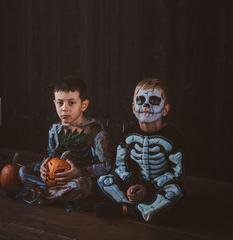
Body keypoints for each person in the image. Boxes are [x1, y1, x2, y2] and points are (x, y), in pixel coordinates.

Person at [94, 78, 186, 222]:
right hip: (136, 183)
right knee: (103, 181)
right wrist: (132, 184)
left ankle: (124, 209)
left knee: (175, 195)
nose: (146, 105)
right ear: (133, 108)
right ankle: (143, 209)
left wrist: (149, 189)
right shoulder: (128, 134)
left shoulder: (173, 137)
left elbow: (178, 174)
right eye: (140, 100)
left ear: (165, 109)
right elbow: (121, 165)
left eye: (155, 100)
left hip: (160, 188)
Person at [15, 76, 114, 208]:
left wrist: (80, 171)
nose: (64, 109)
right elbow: (52, 156)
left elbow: (107, 167)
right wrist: (45, 167)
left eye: (71, 103)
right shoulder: (55, 129)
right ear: (54, 103)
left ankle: (38, 195)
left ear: (83, 105)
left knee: (80, 186)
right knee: (23, 172)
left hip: (84, 178)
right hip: (59, 178)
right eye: (60, 103)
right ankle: (57, 195)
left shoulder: (96, 132)